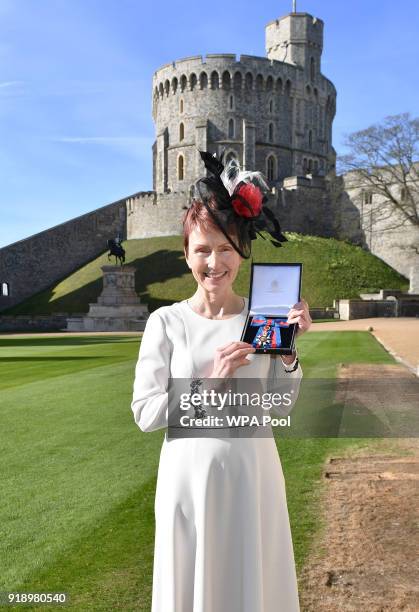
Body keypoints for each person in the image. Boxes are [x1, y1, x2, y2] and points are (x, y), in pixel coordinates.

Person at [131, 150, 312, 612]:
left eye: (226, 249)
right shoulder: (165, 322)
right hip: (189, 479)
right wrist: (207, 384)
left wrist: (289, 353)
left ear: (242, 251)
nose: (215, 262)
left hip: (254, 473)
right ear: (186, 252)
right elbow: (146, 414)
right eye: (202, 249)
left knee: (254, 587)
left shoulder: (263, 314)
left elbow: (279, 406)